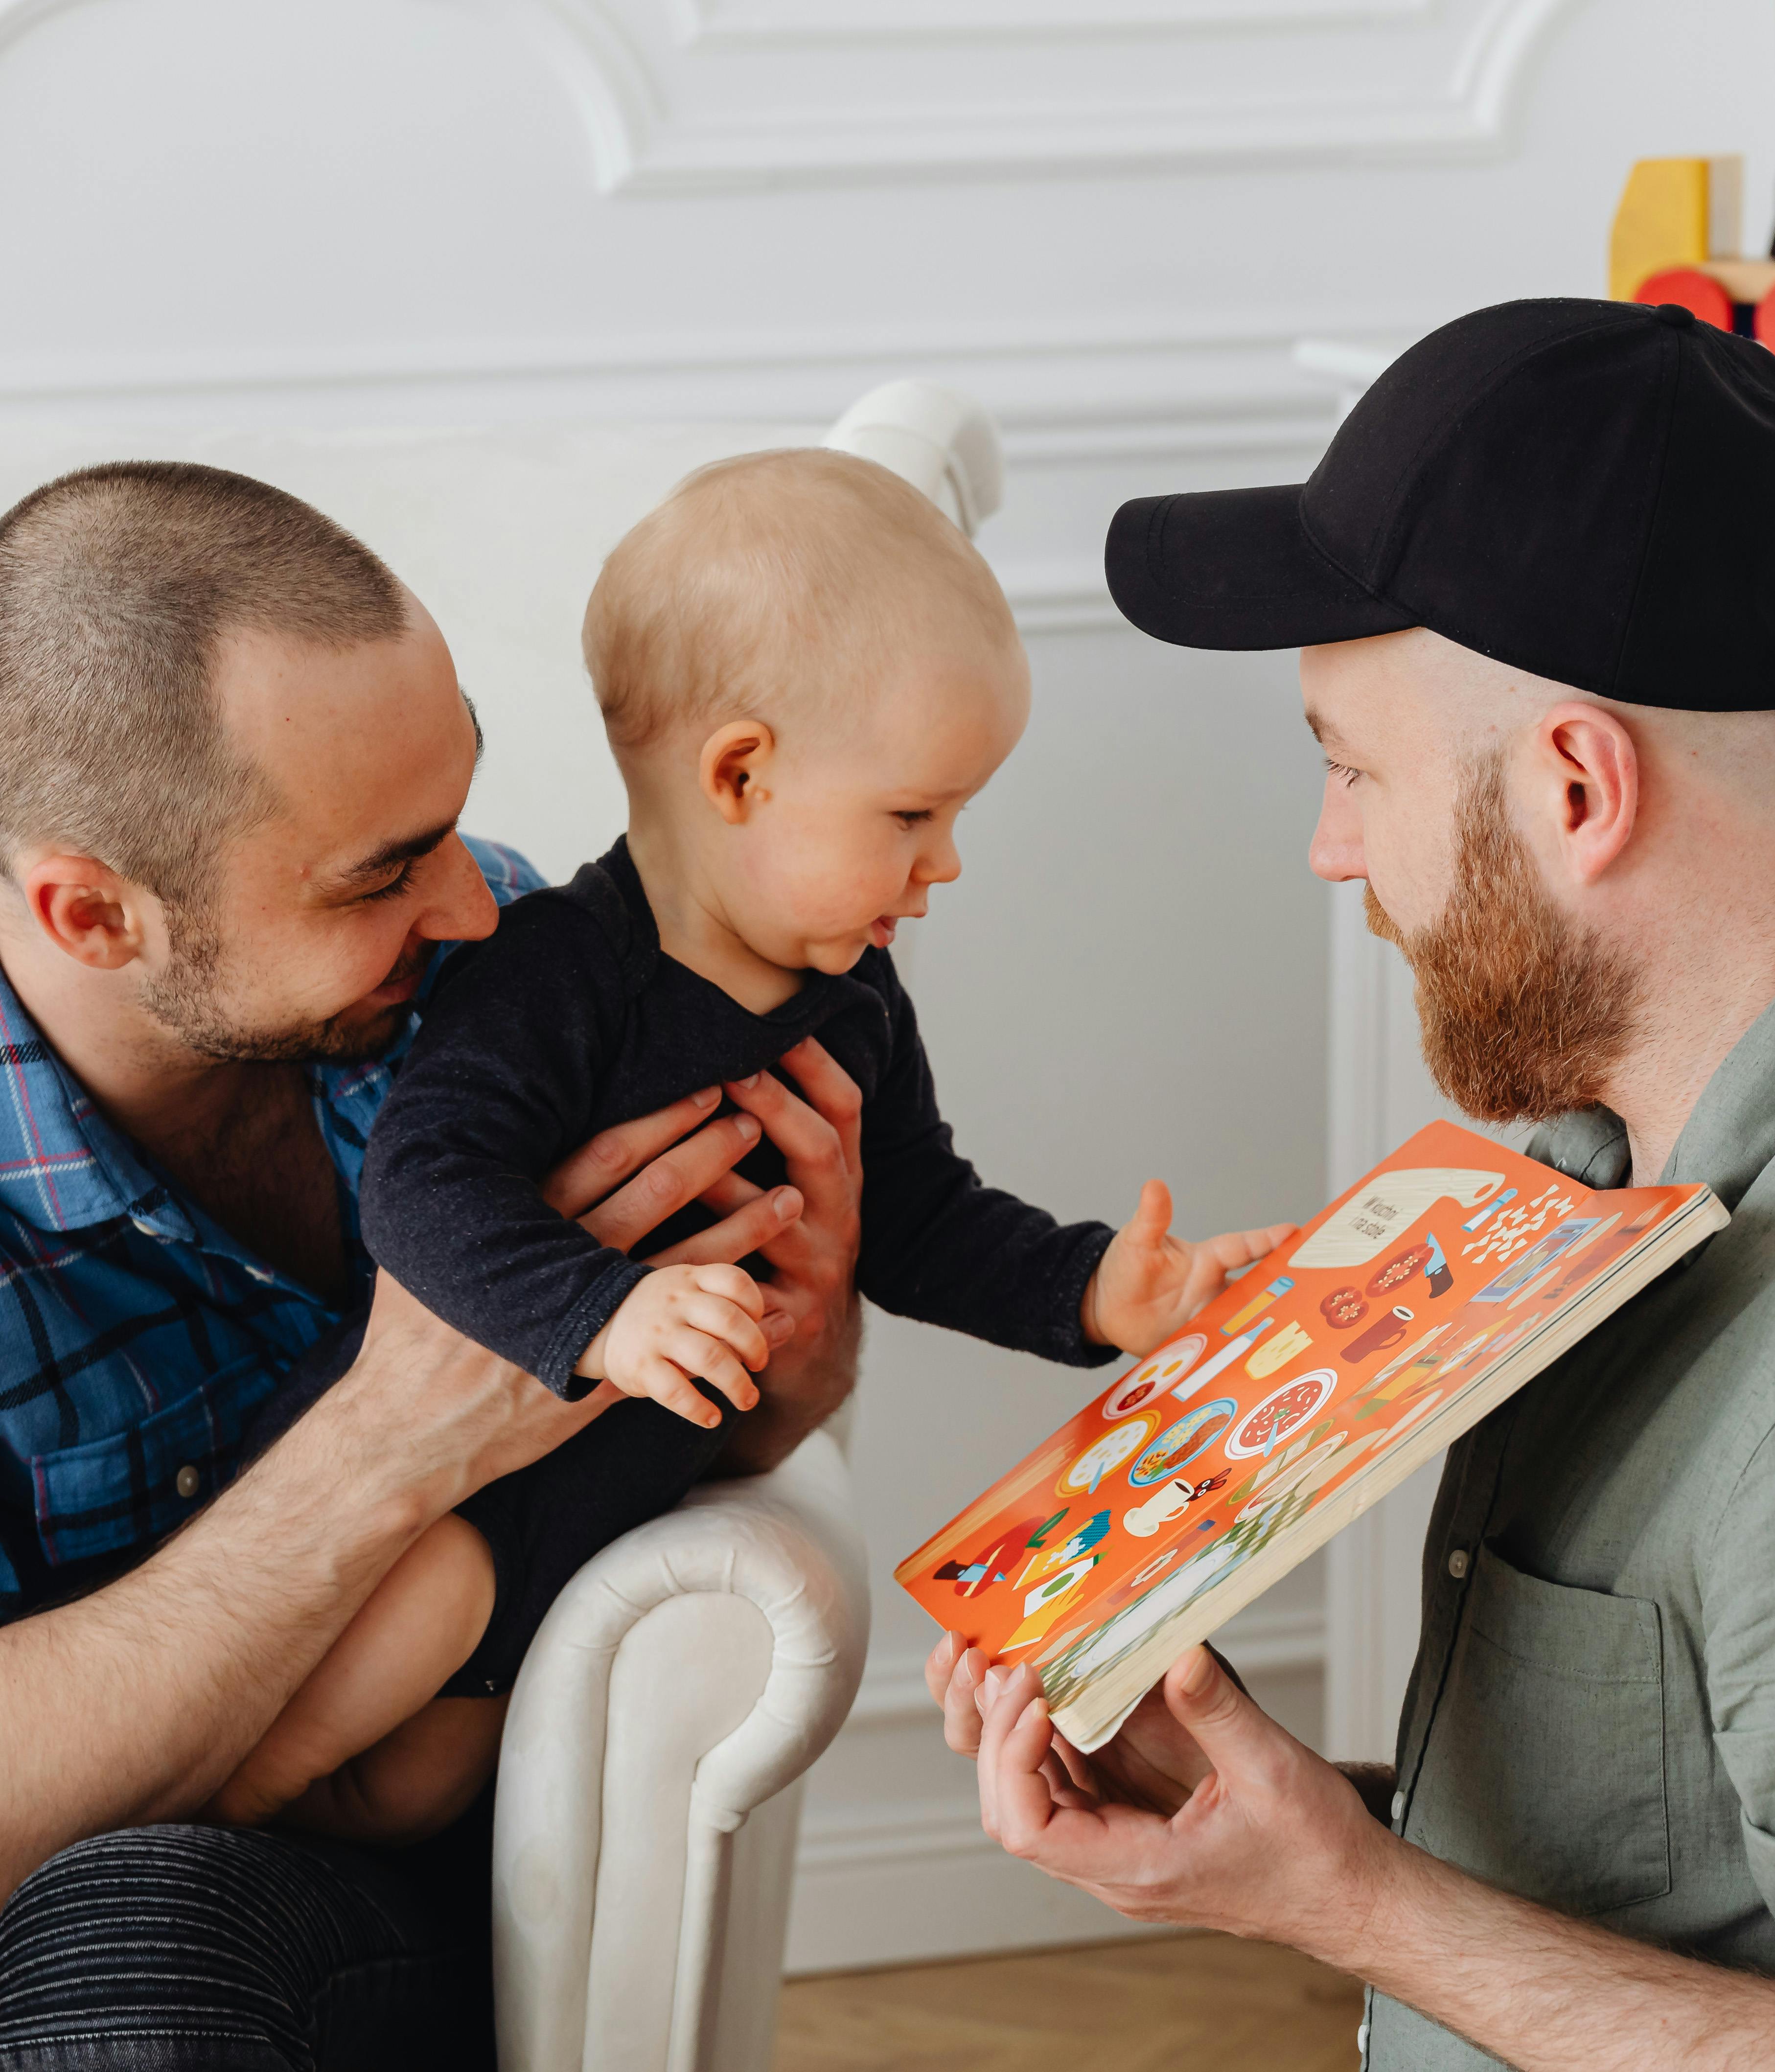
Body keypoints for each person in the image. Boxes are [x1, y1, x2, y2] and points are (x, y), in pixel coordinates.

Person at [924, 299, 1775, 2070]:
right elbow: (1680, 1861)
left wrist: (1348, 1898)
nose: (1330, 845)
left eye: (1353, 768)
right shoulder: (1598, 1158)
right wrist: (1259, 1817)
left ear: (1580, 786)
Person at [0, 461, 868, 2071]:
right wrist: (399, 1429)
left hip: (287, 1900)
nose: (475, 902)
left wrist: (795, 1348)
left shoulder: (504, 992)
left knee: (138, 1937)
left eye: (454, 813)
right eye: (380, 873)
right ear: (94, 914)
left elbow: (686, 1421)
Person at [208, 449, 1295, 1836]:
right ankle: (159, 1861)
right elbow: (420, 1189)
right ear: (740, 774)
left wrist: (1099, 1291)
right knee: (341, 1719)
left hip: (589, 1540)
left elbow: (919, 1213)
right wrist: (608, 1309)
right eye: (913, 815)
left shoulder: (853, 998)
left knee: (419, 1801)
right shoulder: (556, 971)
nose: (946, 860)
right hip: (447, 1514)